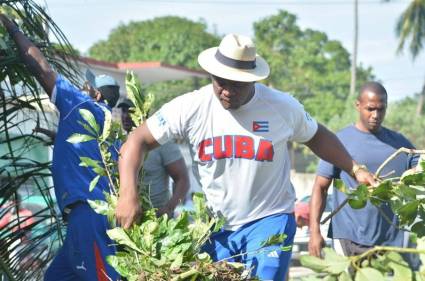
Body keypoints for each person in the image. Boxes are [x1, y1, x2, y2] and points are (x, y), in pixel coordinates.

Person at [115, 33, 375, 280]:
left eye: (236, 84)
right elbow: (136, 141)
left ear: (253, 79)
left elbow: (317, 136)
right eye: (221, 82)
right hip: (215, 227)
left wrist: (355, 168)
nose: (227, 91)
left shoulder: (281, 107)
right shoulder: (190, 107)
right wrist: (128, 194)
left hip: (269, 219)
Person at [0, 15, 120, 281]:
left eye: (86, 86)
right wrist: (57, 136)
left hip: (88, 214)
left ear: (96, 95)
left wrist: (13, 28)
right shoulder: (112, 130)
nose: (81, 87)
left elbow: (41, 67)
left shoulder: (80, 105)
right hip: (88, 215)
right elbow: (90, 152)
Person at [308, 82, 418, 262]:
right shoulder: (339, 142)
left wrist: (412, 173)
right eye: (370, 109)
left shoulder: (399, 144)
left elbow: (420, 166)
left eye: (381, 109)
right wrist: (314, 232)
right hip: (350, 239)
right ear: (357, 105)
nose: (376, 115)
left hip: (391, 242)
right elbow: (320, 187)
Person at [117, 99, 189, 217]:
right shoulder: (117, 143)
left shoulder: (162, 142)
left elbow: (182, 179)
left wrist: (169, 208)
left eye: (130, 111)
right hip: (127, 220)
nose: (125, 116)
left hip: (156, 221)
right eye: (123, 111)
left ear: (143, 113)